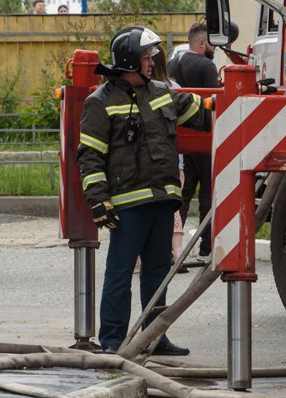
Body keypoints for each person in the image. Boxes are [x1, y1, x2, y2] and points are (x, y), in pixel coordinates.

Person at [78, 26, 209, 356]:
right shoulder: (100, 102)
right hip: (128, 204)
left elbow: (204, 111)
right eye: (146, 56)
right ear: (129, 61)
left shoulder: (162, 91)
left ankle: (154, 337)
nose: (152, 61)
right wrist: (98, 201)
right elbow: (90, 156)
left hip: (163, 201)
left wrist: (241, 100)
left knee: (157, 274)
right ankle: (112, 342)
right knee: (120, 273)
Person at [167, 22, 219, 260]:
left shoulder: (171, 65)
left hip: (179, 138)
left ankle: (171, 246)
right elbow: (214, 105)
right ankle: (206, 249)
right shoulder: (207, 65)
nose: (213, 47)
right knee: (207, 193)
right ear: (201, 43)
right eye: (211, 42)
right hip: (204, 137)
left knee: (183, 192)